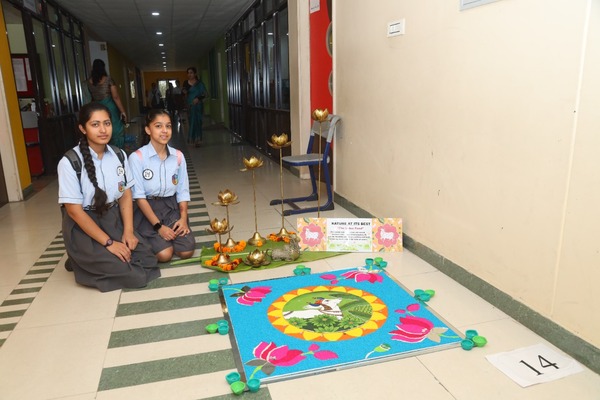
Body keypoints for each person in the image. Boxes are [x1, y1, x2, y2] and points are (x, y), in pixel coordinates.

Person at [58, 102, 160, 292]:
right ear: (82, 128)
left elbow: (126, 196)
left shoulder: (119, 155)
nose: (103, 130)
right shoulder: (70, 162)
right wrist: (110, 243)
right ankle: (80, 257)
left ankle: (86, 259)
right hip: (84, 226)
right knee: (134, 275)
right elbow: (73, 211)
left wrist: (128, 231)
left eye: (107, 123)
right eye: (95, 124)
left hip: (112, 219)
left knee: (148, 259)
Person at [129, 109, 195, 263]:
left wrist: (183, 218)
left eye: (168, 126)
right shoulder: (137, 158)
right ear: (148, 129)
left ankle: (167, 237)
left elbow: (183, 191)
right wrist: (159, 227)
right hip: (147, 210)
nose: (164, 131)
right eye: (158, 126)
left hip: (171, 207)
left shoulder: (178, 156)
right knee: (165, 255)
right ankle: (151, 239)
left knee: (186, 251)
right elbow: (138, 197)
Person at [86, 59, 127, 148]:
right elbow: (115, 97)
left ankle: (104, 149)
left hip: (97, 108)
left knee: (101, 128)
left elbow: (91, 97)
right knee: (115, 129)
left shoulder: (89, 82)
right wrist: (123, 111)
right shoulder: (108, 79)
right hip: (109, 107)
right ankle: (117, 151)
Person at [182, 67, 207, 147]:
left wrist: (198, 98)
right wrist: (184, 92)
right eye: (188, 73)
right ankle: (192, 139)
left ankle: (198, 140)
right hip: (190, 106)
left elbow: (205, 94)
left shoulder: (200, 84)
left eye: (191, 73)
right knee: (191, 122)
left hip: (198, 105)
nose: (189, 74)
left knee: (198, 122)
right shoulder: (185, 83)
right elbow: (183, 94)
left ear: (195, 74)